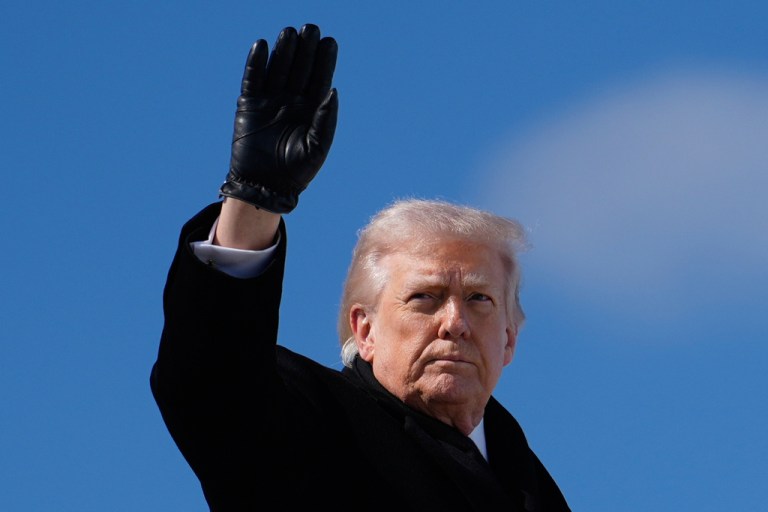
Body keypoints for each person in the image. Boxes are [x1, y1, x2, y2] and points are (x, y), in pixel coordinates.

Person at [150, 23, 571, 511]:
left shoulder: (533, 485)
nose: (455, 323)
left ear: (510, 339)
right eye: (425, 297)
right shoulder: (312, 422)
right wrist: (255, 199)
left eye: (479, 299)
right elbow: (211, 383)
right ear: (364, 330)